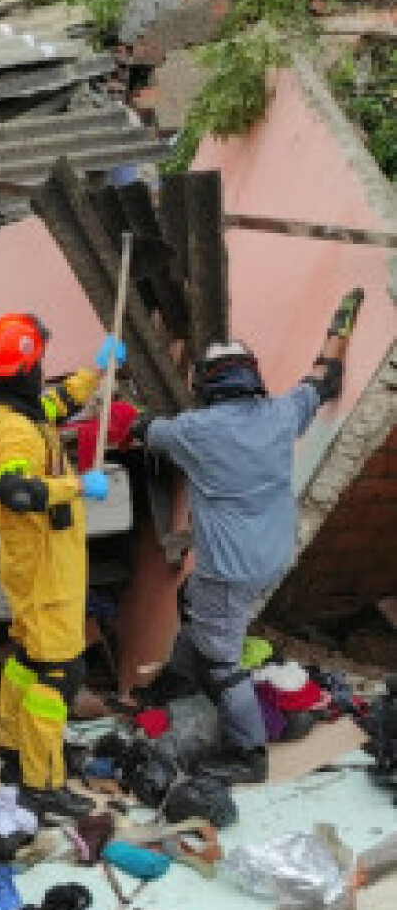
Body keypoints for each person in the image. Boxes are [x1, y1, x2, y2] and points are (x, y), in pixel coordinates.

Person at [134, 290, 363, 781]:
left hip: (230, 568)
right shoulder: (283, 415)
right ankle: (174, 682)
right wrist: (338, 328)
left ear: (205, 384)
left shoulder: (193, 431)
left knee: (223, 660)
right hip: (274, 554)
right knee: (193, 603)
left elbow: (144, 430)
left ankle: (249, 754)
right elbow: (325, 380)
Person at [0, 312, 123, 817]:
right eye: (38, 361)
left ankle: (15, 754)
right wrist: (79, 485)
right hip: (43, 569)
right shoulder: (11, 434)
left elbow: (58, 403)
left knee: (27, 660)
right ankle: (43, 781)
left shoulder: (18, 412)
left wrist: (95, 371)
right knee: (60, 671)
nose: (43, 370)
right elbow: (15, 491)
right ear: (22, 370)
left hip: (36, 563)